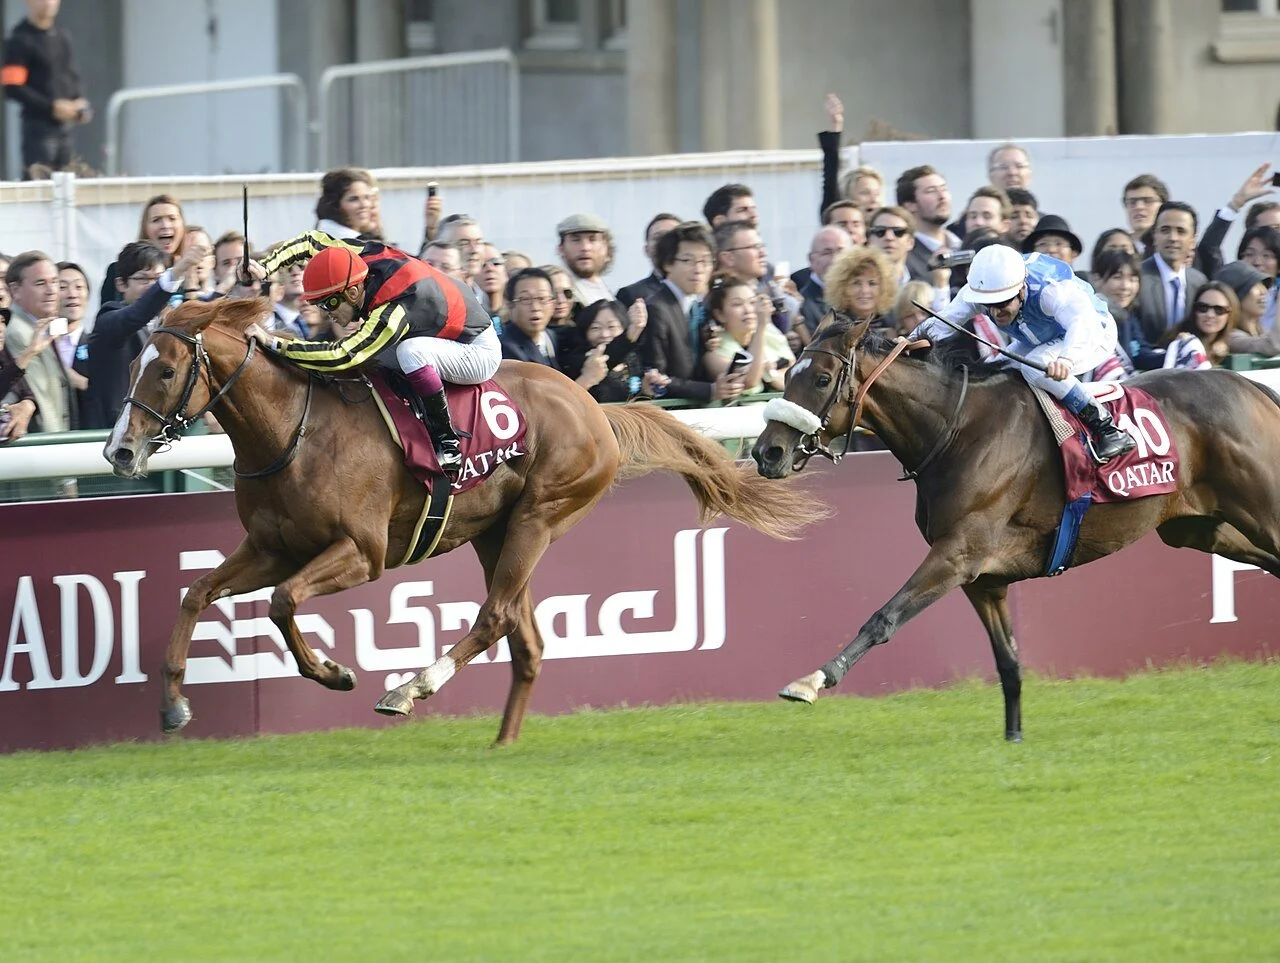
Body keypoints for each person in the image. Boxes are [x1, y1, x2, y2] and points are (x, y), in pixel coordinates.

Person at [248, 230, 499, 477]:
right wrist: (266, 266)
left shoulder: (394, 309)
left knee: (409, 352)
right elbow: (310, 241)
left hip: (476, 349)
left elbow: (343, 355)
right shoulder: (356, 257)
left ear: (354, 292)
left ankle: (446, 441)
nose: (327, 314)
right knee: (380, 357)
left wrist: (276, 344)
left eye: (329, 303)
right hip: (438, 328)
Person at [912, 245, 1136, 462]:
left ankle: (1107, 428)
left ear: (1021, 288)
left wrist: (1066, 359)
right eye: (987, 304)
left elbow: (1082, 323)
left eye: (1002, 303)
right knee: (995, 370)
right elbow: (944, 321)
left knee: (1034, 366)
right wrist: (909, 341)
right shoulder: (983, 288)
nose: (995, 312)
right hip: (1043, 339)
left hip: (1092, 332)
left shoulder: (1051, 290)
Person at [76, 239, 209, 429]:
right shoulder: (109, 319)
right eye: (144, 279)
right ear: (121, 284)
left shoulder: (167, 324)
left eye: (157, 279)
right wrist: (177, 272)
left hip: (156, 435)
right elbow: (136, 314)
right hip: (111, 435)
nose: (152, 286)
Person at [2, 0, 90, 178]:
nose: (48, 3)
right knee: (38, 187)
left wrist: (80, 102)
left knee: (67, 187)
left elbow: (71, 75)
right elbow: (12, 87)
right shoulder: (20, 39)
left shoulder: (62, 36)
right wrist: (52, 107)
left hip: (65, 129)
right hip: (38, 130)